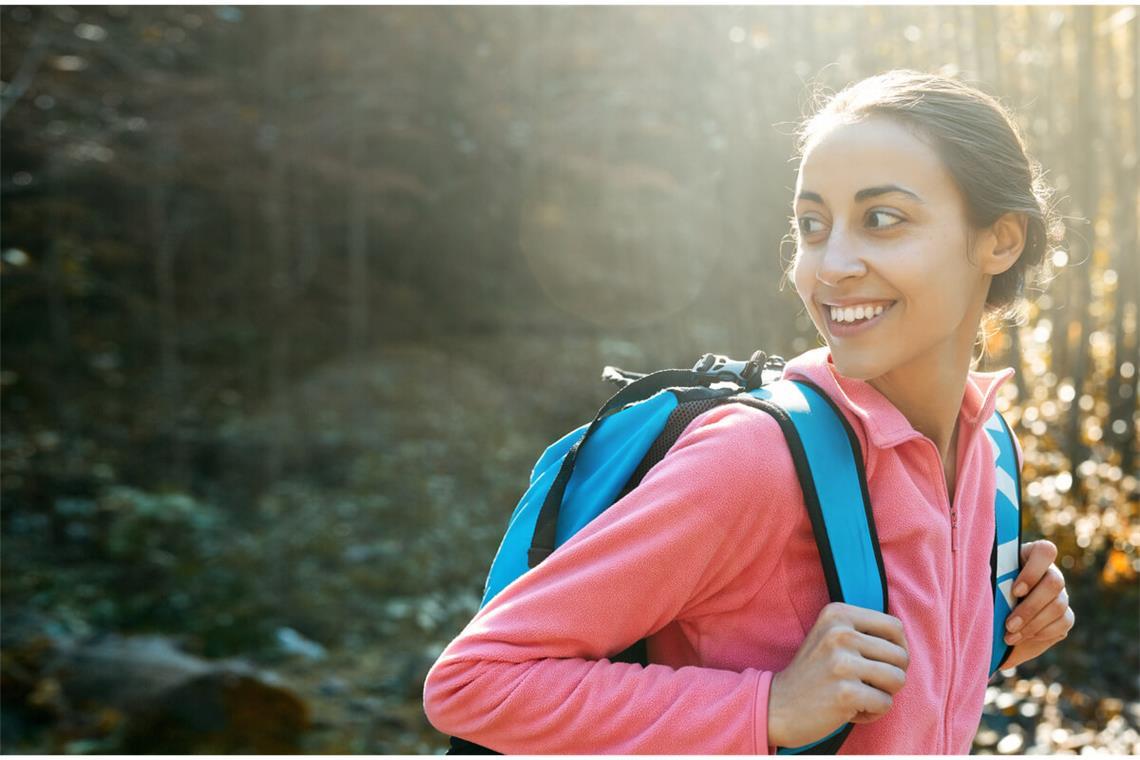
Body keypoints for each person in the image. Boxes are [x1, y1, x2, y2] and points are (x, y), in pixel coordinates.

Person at [422, 69, 1076, 754]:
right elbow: (473, 683)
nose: (830, 264)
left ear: (1000, 239)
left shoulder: (991, 447)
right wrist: (769, 709)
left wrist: (1003, 625)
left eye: (882, 220)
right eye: (811, 225)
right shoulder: (753, 460)